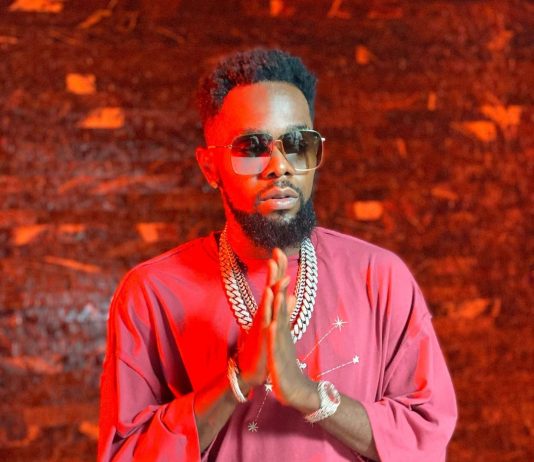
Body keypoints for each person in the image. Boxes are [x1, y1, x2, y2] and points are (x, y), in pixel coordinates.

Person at [98, 48, 457, 461]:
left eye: (298, 143)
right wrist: (237, 380)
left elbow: (424, 438)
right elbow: (126, 453)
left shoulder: (379, 278)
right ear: (210, 168)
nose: (280, 167)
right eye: (252, 147)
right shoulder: (151, 294)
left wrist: (307, 394)